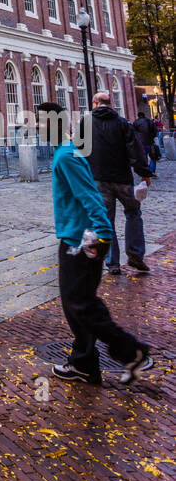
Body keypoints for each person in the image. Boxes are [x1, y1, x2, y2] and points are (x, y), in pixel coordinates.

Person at [44, 102, 152, 386]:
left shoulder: (66, 155)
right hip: (74, 236)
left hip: (81, 239)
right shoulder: (66, 153)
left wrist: (102, 236)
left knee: (81, 304)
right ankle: (84, 363)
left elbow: (90, 197)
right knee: (77, 304)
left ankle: (132, 352)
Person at [85, 91, 151, 275]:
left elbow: (79, 152)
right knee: (133, 213)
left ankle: (112, 262)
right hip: (122, 178)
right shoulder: (122, 123)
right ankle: (135, 253)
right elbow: (135, 151)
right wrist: (144, 174)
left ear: (96, 103)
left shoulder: (86, 123)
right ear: (110, 104)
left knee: (107, 220)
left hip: (98, 179)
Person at [132, 110, 160, 179]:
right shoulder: (150, 121)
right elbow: (155, 131)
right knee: (153, 158)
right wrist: (152, 137)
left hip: (140, 144)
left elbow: (133, 134)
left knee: (144, 159)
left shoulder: (136, 122)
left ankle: (146, 173)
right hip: (150, 143)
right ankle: (151, 171)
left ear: (138, 116)